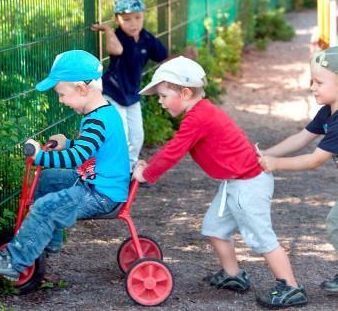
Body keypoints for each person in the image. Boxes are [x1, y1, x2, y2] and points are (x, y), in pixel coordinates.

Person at [132, 56, 308, 308]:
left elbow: (174, 150)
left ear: (184, 92)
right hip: (236, 183)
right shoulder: (199, 113)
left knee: (261, 237)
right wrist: (149, 168)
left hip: (248, 183)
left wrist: (147, 173)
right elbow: (175, 148)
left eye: (162, 95)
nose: (160, 102)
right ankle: (233, 275)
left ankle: (291, 286)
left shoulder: (198, 117)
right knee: (215, 228)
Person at [0, 50, 130, 281]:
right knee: (47, 180)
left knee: (46, 206)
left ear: (81, 89)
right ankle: (47, 241)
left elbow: (77, 157)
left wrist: (39, 157)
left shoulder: (97, 120)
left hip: (101, 194)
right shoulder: (103, 112)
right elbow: (92, 147)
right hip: (95, 183)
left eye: (62, 94)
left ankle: (14, 261)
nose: (60, 100)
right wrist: (68, 143)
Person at [259, 46, 338, 294]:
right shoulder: (327, 112)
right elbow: (300, 138)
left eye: (319, 82)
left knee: (335, 223)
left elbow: (315, 159)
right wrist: (265, 154)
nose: (312, 87)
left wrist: (277, 164)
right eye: (311, 80)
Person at [91, 0, 168, 172]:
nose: (133, 23)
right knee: (122, 133)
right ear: (117, 19)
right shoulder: (118, 36)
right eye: (126, 19)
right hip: (114, 92)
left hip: (132, 94)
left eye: (137, 17)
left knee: (137, 135)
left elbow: (162, 56)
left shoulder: (146, 38)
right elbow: (116, 50)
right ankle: (118, 171)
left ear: (143, 16)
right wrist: (108, 30)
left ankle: (131, 168)